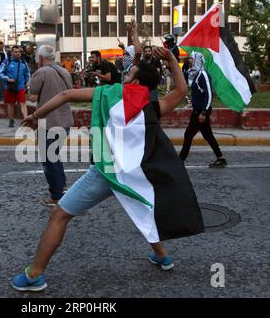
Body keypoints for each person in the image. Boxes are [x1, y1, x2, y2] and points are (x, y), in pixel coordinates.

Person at [12, 46, 203, 292]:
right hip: (135, 177)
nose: (124, 75)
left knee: (59, 215)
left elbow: (66, 96)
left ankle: (34, 274)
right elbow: (181, 90)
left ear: (135, 80)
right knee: (141, 209)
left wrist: (35, 116)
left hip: (105, 172)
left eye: (129, 73)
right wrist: (172, 60)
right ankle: (162, 257)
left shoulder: (108, 94)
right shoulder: (153, 107)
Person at [28, 45, 74, 207]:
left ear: (41, 58)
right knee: (54, 156)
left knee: (49, 159)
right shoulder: (65, 72)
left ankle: (56, 195)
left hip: (49, 122)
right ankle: (60, 186)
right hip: (65, 120)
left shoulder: (40, 72)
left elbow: (33, 98)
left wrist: (30, 85)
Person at [179, 52, 227, 168]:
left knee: (188, 134)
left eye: (191, 58)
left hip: (201, 111)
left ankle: (180, 160)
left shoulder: (203, 74)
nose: (189, 60)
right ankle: (220, 157)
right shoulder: (194, 74)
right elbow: (183, 76)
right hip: (198, 110)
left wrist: (204, 112)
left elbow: (209, 94)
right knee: (208, 135)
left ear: (197, 60)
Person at [0, 45, 30, 128]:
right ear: (12, 53)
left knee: (23, 102)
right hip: (10, 86)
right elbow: (0, 72)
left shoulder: (23, 62)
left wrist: (28, 81)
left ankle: (26, 120)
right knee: (10, 104)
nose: (17, 53)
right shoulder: (7, 61)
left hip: (21, 86)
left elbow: (27, 73)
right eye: (15, 52)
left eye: (19, 52)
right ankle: (11, 119)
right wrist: (8, 79)